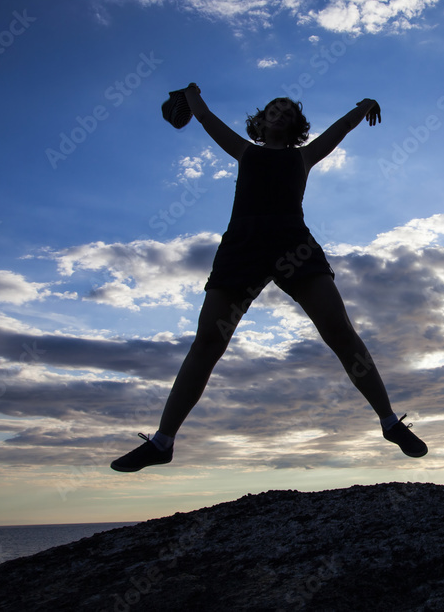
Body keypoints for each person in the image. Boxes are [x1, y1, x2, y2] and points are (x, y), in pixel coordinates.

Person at [111, 84, 427, 472]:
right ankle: (162, 442)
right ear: (260, 121)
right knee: (208, 341)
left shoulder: (305, 156)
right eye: (273, 110)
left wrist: (364, 106)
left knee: (339, 330)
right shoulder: (245, 150)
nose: (280, 114)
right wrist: (189, 93)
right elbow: (206, 118)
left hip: (293, 245)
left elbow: (339, 130)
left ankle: (391, 423)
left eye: (287, 112)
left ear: (295, 125)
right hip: (242, 247)